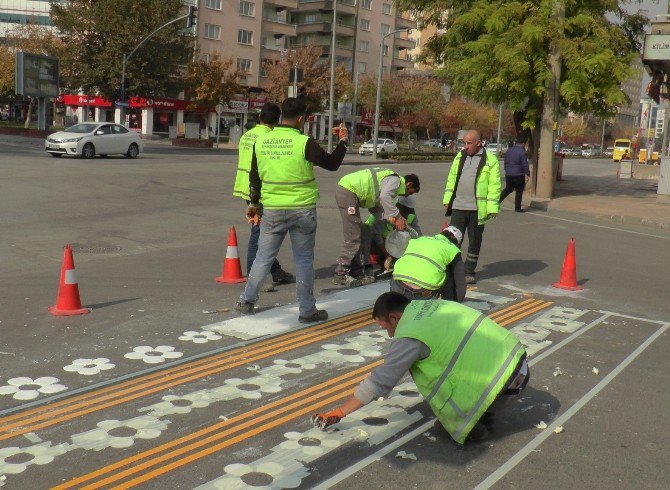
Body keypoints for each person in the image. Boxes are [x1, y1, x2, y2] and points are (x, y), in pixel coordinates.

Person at [311, 292, 529, 444]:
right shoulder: (433, 305)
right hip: (518, 363)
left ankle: (478, 423)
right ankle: (487, 409)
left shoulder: (409, 334)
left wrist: (338, 413)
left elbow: (380, 382)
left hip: (503, 383)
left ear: (394, 317)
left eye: (385, 327)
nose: (388, 334)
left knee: (449, 425)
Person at [235, 97, 348, 323]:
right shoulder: (304, 143)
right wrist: (343, 141)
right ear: (300, 119)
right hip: (302, 210)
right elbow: (332, 163)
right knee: (304, 260)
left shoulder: (262, 142)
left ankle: (247, 301)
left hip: (272, 209)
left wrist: (253, 204)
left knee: (263, 258)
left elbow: (254, 177)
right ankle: (307, 311)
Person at [232, 102, 294, 290]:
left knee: (264, 231)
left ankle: (275, 271)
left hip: (245, 187)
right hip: (260, 191)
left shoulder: (247, 135)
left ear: (260, 118)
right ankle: (254, 277)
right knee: (259, 233)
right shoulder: (269, 137)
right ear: (278, 120)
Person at [334, 168, 420, 286]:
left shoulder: (389, 185)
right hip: (348, 190)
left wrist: (390, 218)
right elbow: (385, 197)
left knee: (357, 233)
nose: (406, 195)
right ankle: (341, 274)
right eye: (409, 192)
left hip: (349, 191)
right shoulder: (396, 181)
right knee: (354, 236)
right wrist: (398, 217)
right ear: (409, 185)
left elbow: (375, 208)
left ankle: (356, 271)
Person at [443, 129, 501, 285]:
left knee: (474, 241)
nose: (465, 146)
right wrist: (448, 199)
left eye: (469, 143)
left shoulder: (490, 160)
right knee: (453, 240)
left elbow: (494, 185)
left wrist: (492, 207)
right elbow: (451, 179)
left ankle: (469, 271)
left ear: (478, 143)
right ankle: (452, 270)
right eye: (464, 143)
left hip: (477, 208)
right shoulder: (459, 157)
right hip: (458, 206)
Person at [390, 225, 467, 302]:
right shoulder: (453, 250)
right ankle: (447, 304)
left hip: (398, 283)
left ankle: (394, 306)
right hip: (424, 290)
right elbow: (460, 283)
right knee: (448, 271)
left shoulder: (419, 239)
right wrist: (457, 303)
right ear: (457, 244)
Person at [499, 136, 531, 213]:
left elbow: (505, 161)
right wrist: (527, 173)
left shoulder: (509, 150)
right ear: (523, 143)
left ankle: (497, 202)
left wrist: (506, 170)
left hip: (509, 174)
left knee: (508, 189)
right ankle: (517, 208)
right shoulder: (522, 152)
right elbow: (525, 164)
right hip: (519, 174)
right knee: (519, 191)